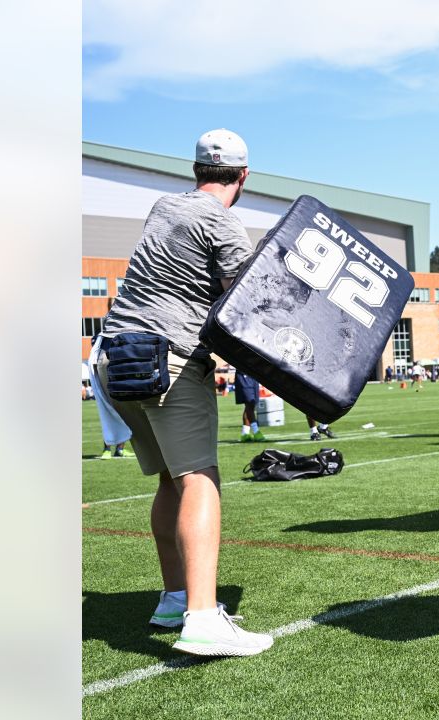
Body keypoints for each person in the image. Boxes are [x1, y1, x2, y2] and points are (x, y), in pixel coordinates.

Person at [95, 129, 272, 656]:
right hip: (168, 358)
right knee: (200, 478)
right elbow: (251, 301)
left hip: (115, 356)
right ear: (242, 177)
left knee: (171, 479)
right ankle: (201, 618)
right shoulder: (223, 221)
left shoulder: (162, 206)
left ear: (195, 171)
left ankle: (175, 599)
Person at [87, 333, 134, 459]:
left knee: (123, 414)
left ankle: (120, 449)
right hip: (106, 375)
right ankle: (107, 448)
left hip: (119, 376)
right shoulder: (102, 336)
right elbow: (95, 350)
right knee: (108, 413)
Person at [233, 369, 267, 442]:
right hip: (244, 374)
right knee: (249, 403)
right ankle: (256, 431)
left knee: (251, 405)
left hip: (253, 375)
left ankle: (245, 433)